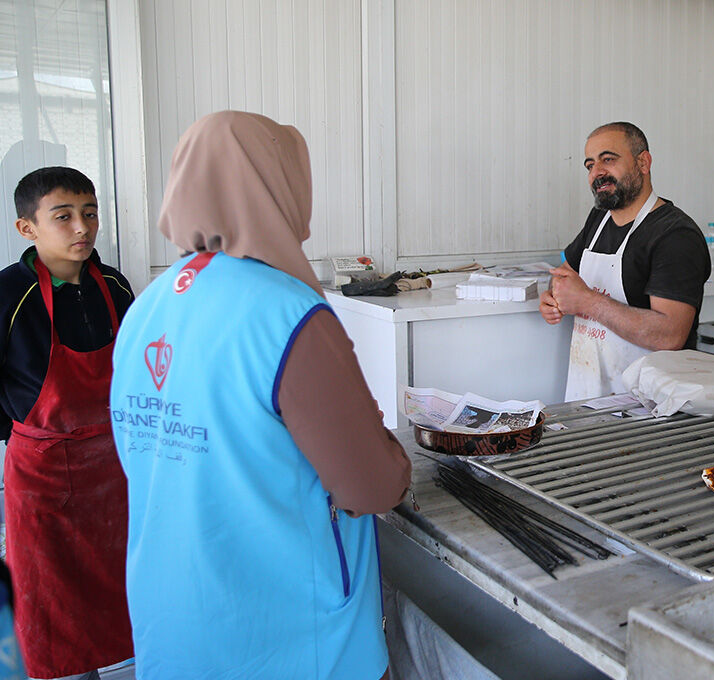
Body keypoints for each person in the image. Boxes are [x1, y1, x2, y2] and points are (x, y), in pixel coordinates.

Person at [109, 111, 411, 679]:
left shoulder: (146, 306)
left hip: (176, 625)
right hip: (290, 639)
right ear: (277, 187)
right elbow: (372, 486)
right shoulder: (288, 313)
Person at [0, 166, 134, 680]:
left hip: (113, 472)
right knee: (54, 606)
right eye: (64, 216)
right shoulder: (10, 294)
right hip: (43, 477)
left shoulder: (115, 285)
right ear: (27, 229)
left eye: (90, 213)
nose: (82, 227)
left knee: (117, 596)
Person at [539, 122, 711, 401]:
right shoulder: (598, 220)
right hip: (589, 398)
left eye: (608, 159)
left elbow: (670, 335)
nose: (597, 172)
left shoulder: (675, 235)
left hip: (650, 409)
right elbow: (564, 273)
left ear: (643, 162)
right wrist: (554, 296)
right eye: (590, 165)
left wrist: (586, 301)